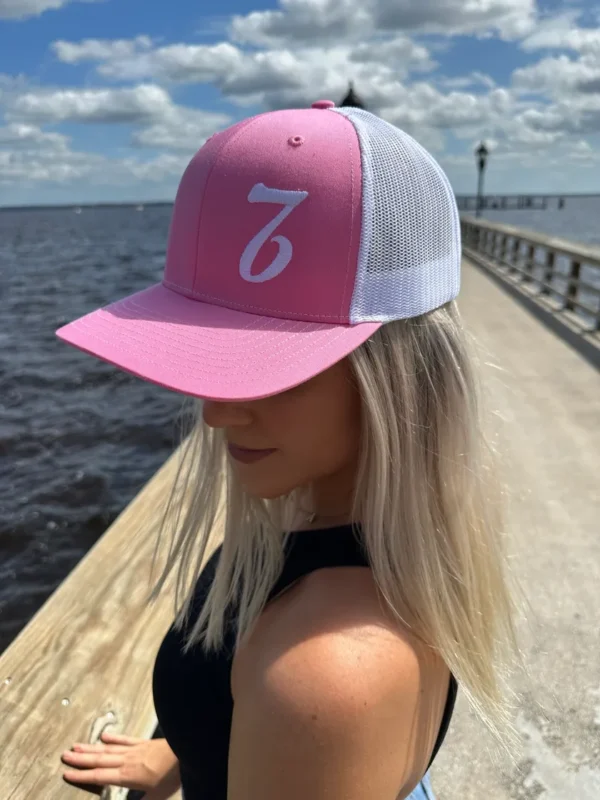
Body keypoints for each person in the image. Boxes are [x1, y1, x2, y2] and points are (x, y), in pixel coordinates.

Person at [57, 100, 524, 799]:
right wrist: (194, 748)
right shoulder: (362, 531)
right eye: (207, 351)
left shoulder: (328, 673)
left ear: (395, 374)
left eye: (269, 367)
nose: (214, 411)